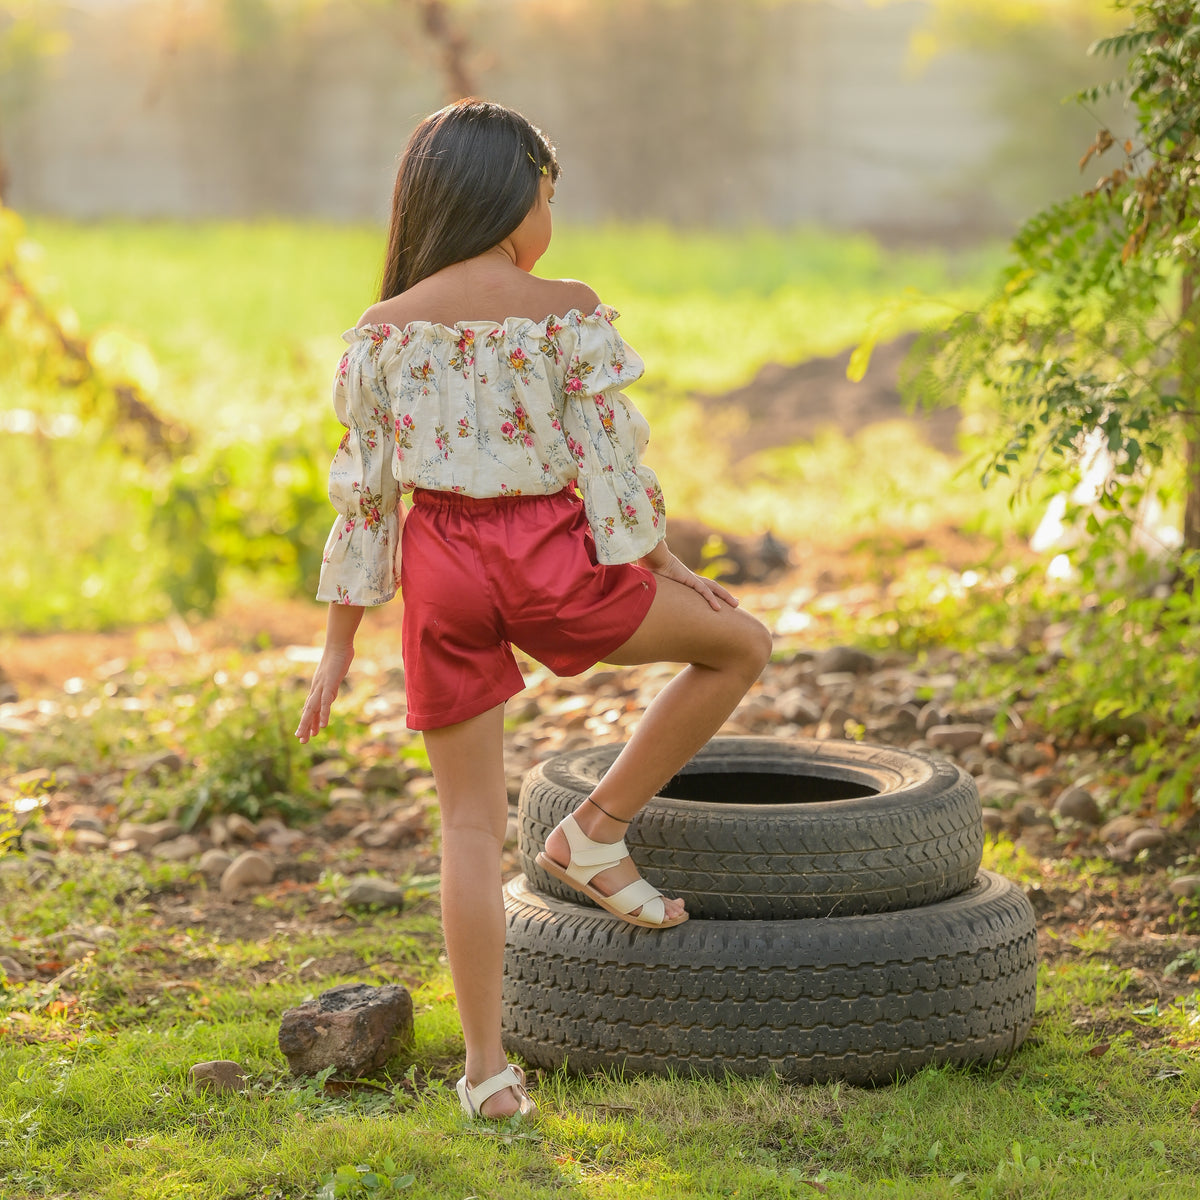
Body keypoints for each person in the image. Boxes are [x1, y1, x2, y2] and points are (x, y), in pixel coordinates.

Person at [295, 99, 772, 1121]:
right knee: (739, 646)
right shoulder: (564, 309)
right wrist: (668, 565)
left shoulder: (381, 332)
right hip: (551, 558)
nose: (550, 214)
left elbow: (367, 494)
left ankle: (485, 1074)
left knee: (466, 825)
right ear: (515, 197)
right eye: (548, 194)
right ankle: (595, 831)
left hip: (443, 570)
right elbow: (610, 466)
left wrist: (339, 639)